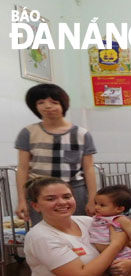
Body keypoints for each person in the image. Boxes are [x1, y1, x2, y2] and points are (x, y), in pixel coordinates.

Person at [15, 84, 97, 225]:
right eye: (41, 103)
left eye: (54, 102)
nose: (47, 106)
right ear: (34, 107)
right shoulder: (28, 133)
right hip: (39, 191)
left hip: (73, 190)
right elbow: (22, 168)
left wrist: (92, 199)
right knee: (43, 231)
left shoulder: (82, 134)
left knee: (77, 229)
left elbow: (89, 169)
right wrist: (22, 200)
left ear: (63, 105)